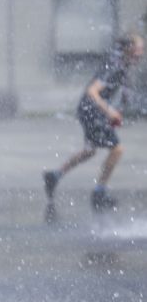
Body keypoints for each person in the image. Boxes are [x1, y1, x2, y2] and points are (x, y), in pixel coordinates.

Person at [43, 32, 144, 217]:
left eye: (142, 49)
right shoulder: (114, 66)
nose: (141, 53)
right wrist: (109, 111)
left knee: (89, 151)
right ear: (128, 48)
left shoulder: (121, 65)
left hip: (90, 111)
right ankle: (99, 193)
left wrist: (113, 111)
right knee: (117, 149)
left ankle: (54, 176)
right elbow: (92, 91)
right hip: (91, 112)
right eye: (138, 49)